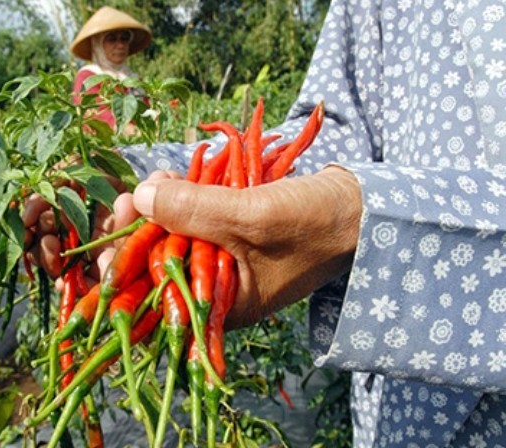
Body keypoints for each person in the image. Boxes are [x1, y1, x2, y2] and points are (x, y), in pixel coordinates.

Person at [27, 0, 506, 445]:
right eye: (113, 40)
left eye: (126, 40)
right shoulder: (92, 82)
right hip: (397, 413)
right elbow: (338, 128)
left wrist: (368, 220)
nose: (120, 47)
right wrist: (130, 170)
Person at [69, 6, 152, 133]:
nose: (120, 45)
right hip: (105, 147)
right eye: (111, 39)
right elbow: (97, 117)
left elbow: (147, 112)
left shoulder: (132, 78)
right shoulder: (88, 76)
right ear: (97, 45)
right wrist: (133, 132)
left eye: (124, 38)